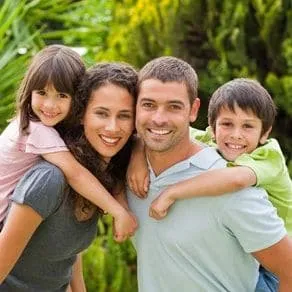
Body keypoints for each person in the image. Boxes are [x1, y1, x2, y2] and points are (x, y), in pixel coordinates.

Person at [126, 56, 292, 291]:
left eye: (174, 106)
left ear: (193, 110)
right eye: (148, 105)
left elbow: (289, 271)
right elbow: (153, 133)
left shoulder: (240, 184)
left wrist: (171, 193)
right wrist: (136, 154)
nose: (159, 118)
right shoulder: (131, 168)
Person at [0, 61, 138, 291]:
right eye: (101, 113)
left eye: (124, 115)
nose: (113, 127)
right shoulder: (50, 179)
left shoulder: (97, 177)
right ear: (81, 114)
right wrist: (118, 210)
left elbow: (69, 255)